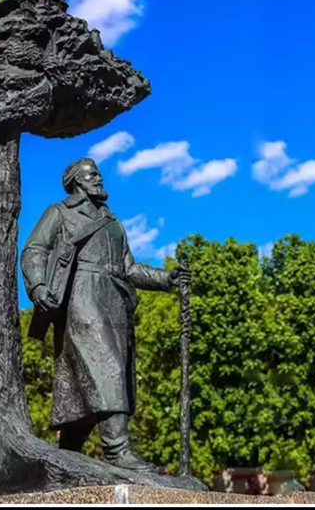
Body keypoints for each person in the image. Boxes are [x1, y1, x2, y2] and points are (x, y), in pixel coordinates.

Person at [20, 158, 191, 472]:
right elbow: (34, 249)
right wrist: (38, 285)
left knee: (87, 385)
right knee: (107, 369)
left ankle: (66, 457)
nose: (99, 179)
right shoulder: (59, 212)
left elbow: (130, 269)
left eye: (98, 174)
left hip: (115, 303)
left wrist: (166, 279)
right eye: (92, 175)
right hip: (81, 298)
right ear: (76, 181)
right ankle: (116, 449)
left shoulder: (112, 222)